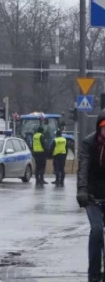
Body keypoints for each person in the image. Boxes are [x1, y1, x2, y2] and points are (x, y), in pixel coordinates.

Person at [76, 111, 105, 282]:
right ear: (99, 128)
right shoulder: (89, 143)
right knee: (96, 231)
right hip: (93, 195)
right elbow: (83, 168)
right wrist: (82, 190)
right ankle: (93, 275)